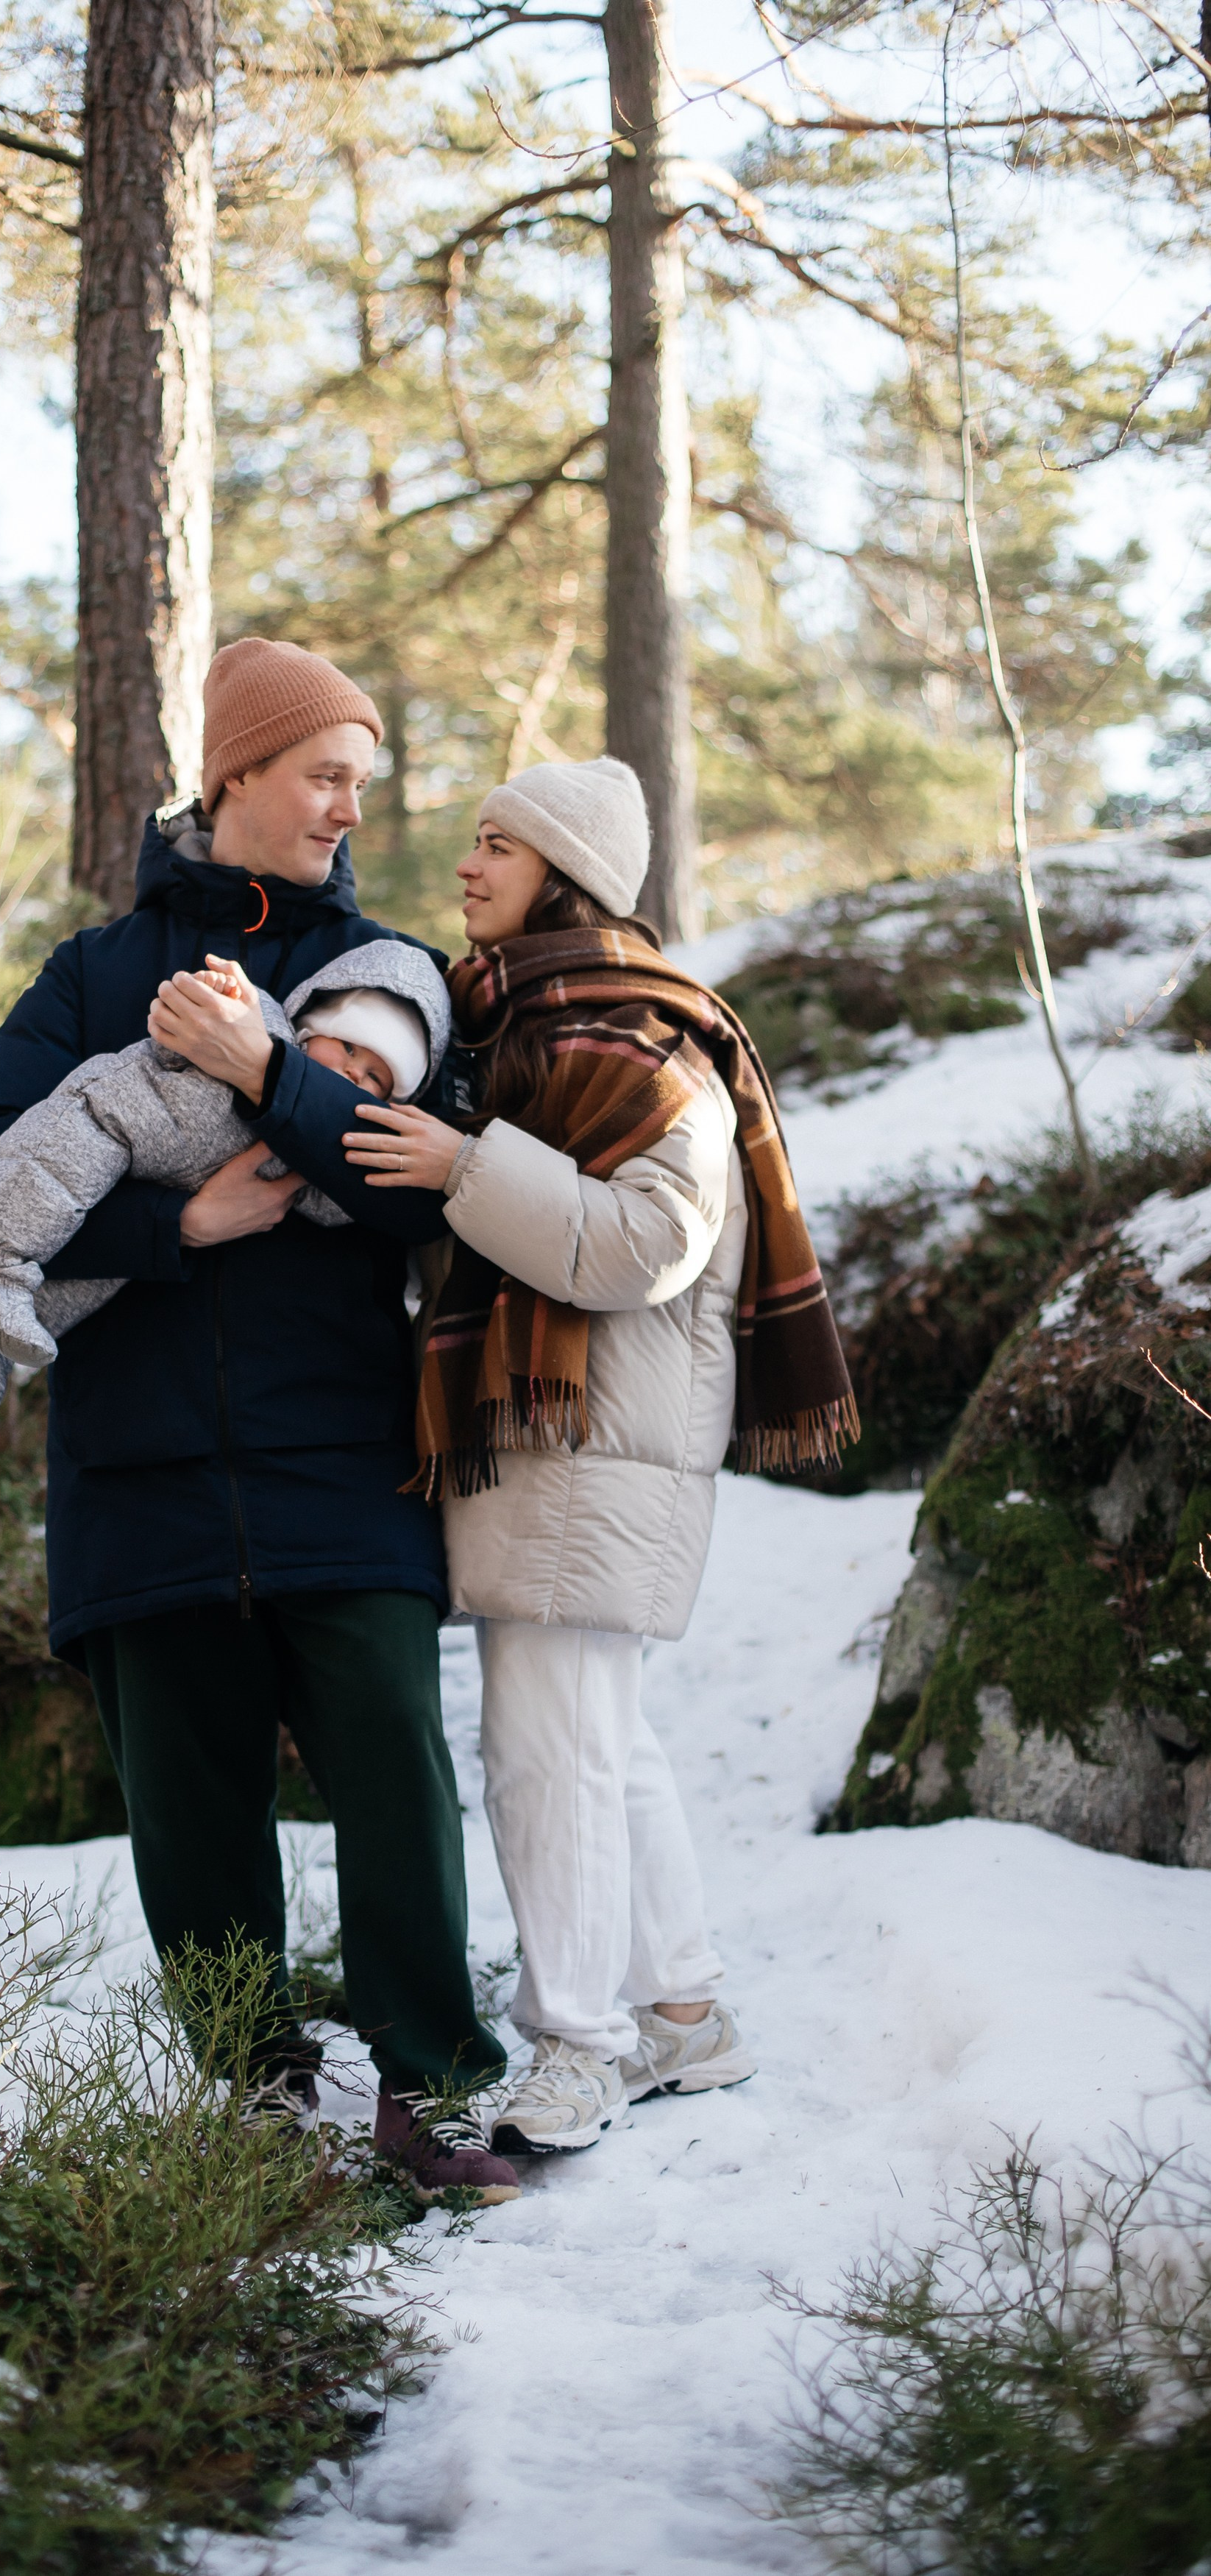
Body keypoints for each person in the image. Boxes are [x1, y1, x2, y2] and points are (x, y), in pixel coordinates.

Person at [0, 637, 518, 2206]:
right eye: (322, 772)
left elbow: (412, 1181)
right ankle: (253, 2093)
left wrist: (270, 1071)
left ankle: (431, 2086)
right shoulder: (89, 977)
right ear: (236, 774)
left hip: (341, 1458)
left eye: (358, 782)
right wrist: (173, 1229)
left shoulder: (385, 979)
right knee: (191, 1819)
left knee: (395, 1770)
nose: (345, 807)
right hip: (137, 1476)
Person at [343, 755, 858, 2159]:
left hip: (591, 1444)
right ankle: (681, 2015)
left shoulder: (635, 1044)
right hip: (563, 1440)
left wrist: (459, 1167)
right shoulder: (532, 1032)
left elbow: (647, 1243)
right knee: (599, 1741)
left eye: (496, 845)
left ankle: (577, 2044)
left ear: (565, 873)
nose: (465, 866)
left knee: (545, 1751)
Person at [0, 942, 447, 1411]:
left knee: (88, 1283)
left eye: (376, 1078)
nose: (354, 1075)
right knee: (48, 1176)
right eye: (351, 1049)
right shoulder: (254, 1015)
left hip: (316, 1421)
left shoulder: (318, 1145)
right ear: (312, 1028)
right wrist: (177, 1223)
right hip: (116, 1122)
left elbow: (397, 1201)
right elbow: (171, 1043)